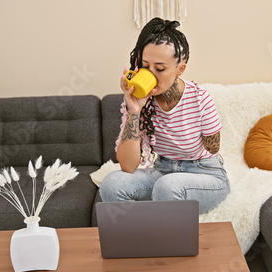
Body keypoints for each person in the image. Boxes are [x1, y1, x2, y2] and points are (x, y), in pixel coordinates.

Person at [99, 17, 230, 214]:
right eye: (145, 66)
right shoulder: (141, 101)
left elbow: (213, 147)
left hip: (205, 173)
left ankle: (159, 240)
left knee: (167, 187)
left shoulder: (199, 98)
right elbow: (128, 166)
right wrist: (134, 111)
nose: (151, 75)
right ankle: (133, 238)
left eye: (160, 69)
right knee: (112, 184)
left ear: (180, 69)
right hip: (164, 170)